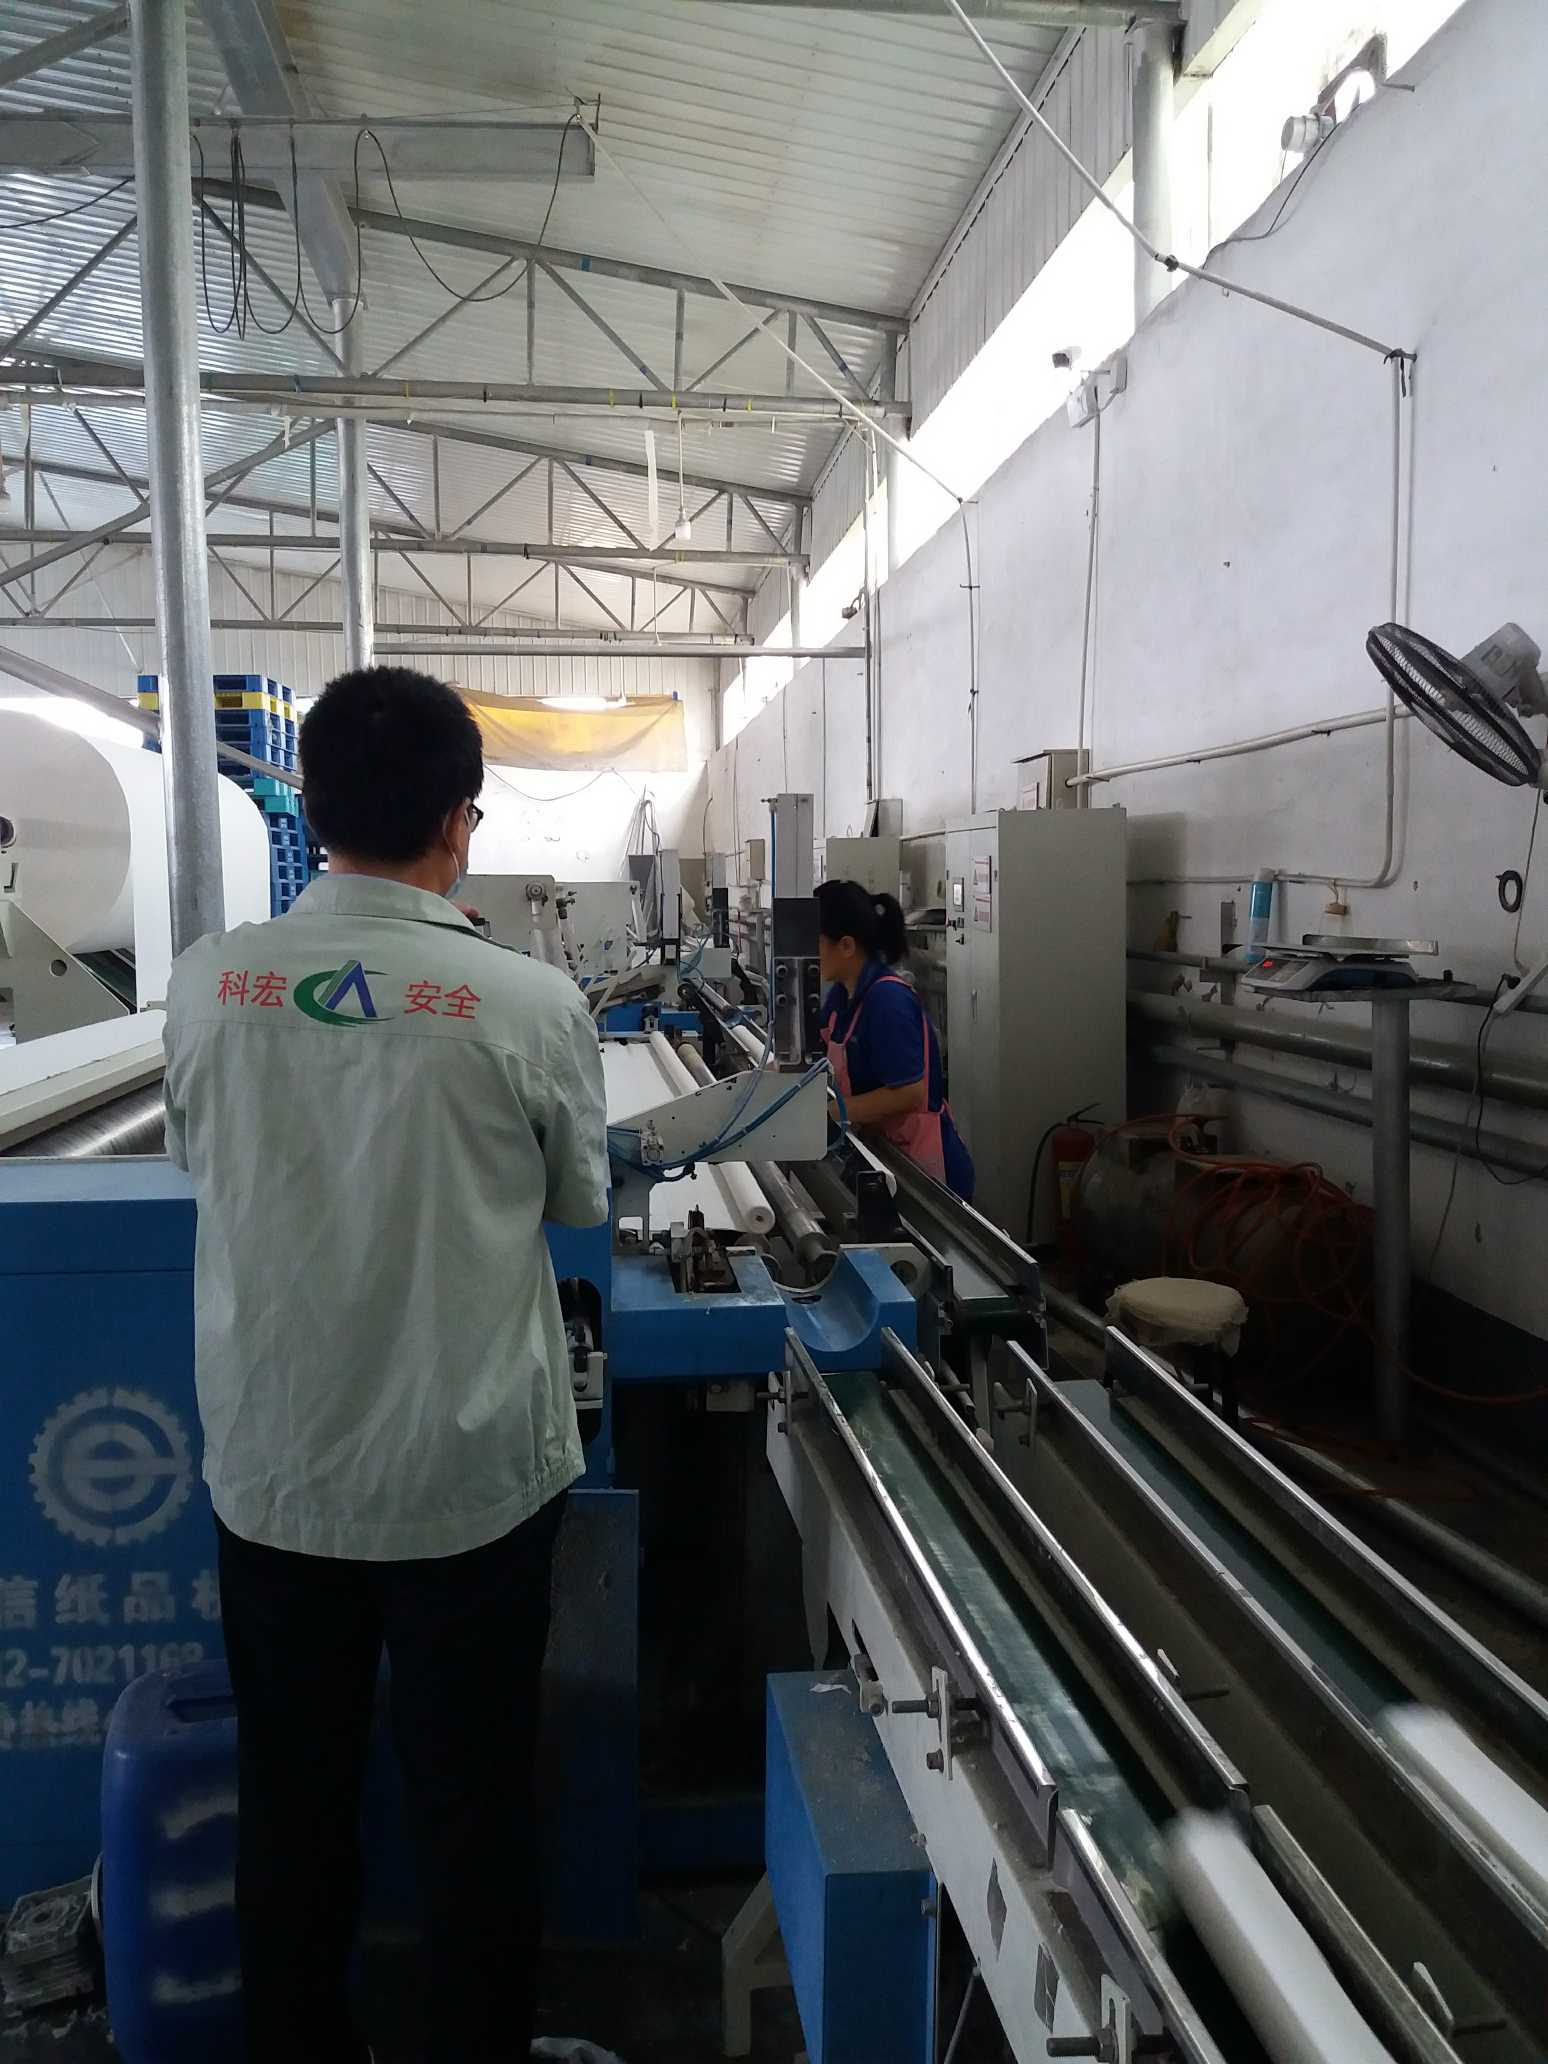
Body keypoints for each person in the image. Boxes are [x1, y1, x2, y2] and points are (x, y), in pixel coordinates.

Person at [163, 665, 610, 2064]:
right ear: (459, 821)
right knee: (473, 1810)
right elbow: (578, 1203)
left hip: (278, 1471)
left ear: (309, 810)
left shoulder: (208, 986)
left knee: (292, 1804)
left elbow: (197, 1156)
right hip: (467, 1480)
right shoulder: (527, 1002)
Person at [817, 878, 975, 1200]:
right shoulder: (842, 995)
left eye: (813, 940)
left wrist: (831, 1113)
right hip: (883, 1152)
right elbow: (816, 1053)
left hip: (921, 1167)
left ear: (846, 946)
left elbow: (909, 1093)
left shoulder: (887, 1000)